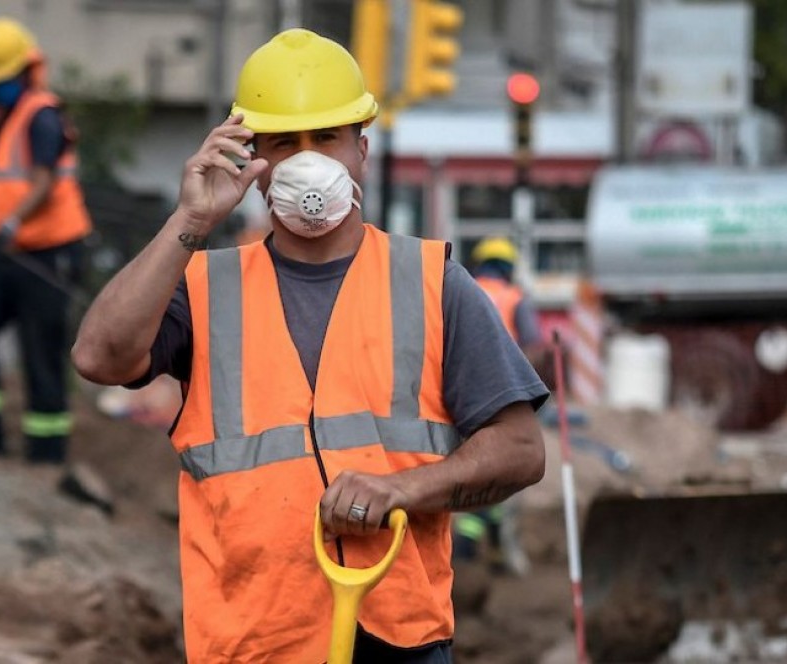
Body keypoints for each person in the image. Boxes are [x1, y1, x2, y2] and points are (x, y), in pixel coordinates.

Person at [72, 28, 547, 662]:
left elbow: (519, 448)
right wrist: (189, 221)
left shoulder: (431, 281)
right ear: (251, 160)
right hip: (254, 641)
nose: (307, 161)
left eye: (326, 138)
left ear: (362, 151)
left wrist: (405, 490)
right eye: (283, 144)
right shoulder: (204, 288)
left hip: (397, 638)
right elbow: (99, 358)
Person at [0, 18, 91, 463]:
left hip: (46, 254)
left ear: (25, 71)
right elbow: (4, 181)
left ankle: (47, 456)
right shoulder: (5, 118)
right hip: (3, 254)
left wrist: (12, 222)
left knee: (41, 356)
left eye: (1, 80)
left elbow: (44, 179)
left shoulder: (42, 116)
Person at [453, 236, 550, 575]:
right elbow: (534, 348)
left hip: (460, 394)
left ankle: (488, 545)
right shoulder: (514, 298)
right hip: (501, 394)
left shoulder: (461, 289)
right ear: (509, 267)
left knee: (473, 462)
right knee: (503, 465)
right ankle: (471, 544)